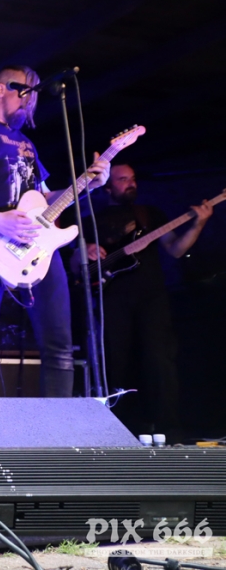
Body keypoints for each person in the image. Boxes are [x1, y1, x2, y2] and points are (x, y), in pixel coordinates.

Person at [0, 65, 110, 397]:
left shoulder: (27, 143)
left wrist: (88, 184)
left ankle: (56, 428)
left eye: (35, 97)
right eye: (26, 92)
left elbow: (45, 198)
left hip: (36, 247)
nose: (30, 102)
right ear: (1, 89)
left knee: (60, 347)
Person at [84, 163, 214, 437]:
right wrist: (86, 250)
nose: (131, 183)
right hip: (112, 297)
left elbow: (175, 250)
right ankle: (115, 429)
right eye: (123, 179)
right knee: (115, 362)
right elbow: (76, 264)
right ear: (107, 186)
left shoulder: (150, 214)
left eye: (132, 178)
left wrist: (199, 222)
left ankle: (168, 428)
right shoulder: (91, 220)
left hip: (152, 296)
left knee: (160, 360)